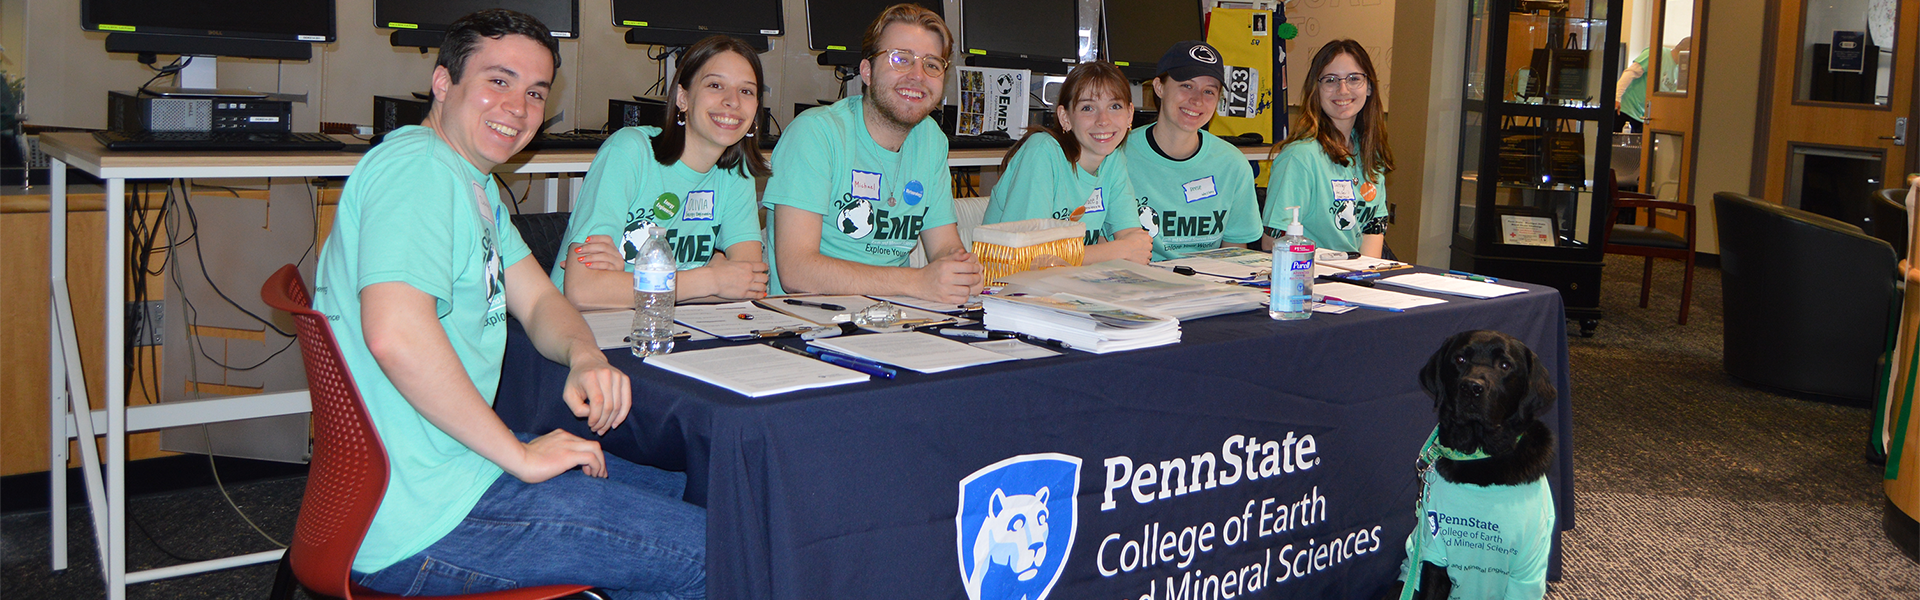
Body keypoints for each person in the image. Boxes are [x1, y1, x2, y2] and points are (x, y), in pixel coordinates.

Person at [310, 10, 704, 599]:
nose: (518, 108)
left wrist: (583, 355)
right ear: (444, 83)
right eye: (498, 80)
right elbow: (395, 334)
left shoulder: (475, 186)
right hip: (425, 521)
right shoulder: (417, 171)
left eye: (535, 92)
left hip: (450, 476)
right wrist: (517, 454)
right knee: (721, 550)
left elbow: (541, 298)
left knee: (689, 494)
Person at [761, 3, 983, 304]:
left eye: (932, 64)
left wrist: (960, 269)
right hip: (809, 320)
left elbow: (943, 245)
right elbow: (797, 272)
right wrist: (917, 281)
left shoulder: (931, 138)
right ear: (867, 71)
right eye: (900, 59)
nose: (917, 75)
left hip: (893, 315)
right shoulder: (816, 133)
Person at [556, 35, 771, 309]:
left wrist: (626, 277)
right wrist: (709, 279)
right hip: (585, 330)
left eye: (746, 91)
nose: (732, 101)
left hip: (674, 325)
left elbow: (748, 285)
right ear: (683, 97)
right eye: (715, 85)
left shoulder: (735, 170)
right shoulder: (630, 151)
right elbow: (584, 291)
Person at [982, 61, 1151, 265]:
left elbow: (1135, 241)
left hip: (1070, 284)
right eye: (1088, 108)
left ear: (1130, 114)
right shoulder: (1042, 152)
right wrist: (1118, 249)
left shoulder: (1113, 157)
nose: (1103, 120)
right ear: (1065, 117)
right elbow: (1029, 256)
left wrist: (1121, 247)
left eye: (1115, 106)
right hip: (1008, 287)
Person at [1122, 40, 1263, 261]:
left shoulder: (1232, 164)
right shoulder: (1119, 156)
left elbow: (1235, 256)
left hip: (1206, 287)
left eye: (1209, 91)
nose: (1197, 100)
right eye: (1186, 86)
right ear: (1159, 87)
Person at [1263, 39, 1393, 257]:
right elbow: (1273, 243)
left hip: (1356, 280)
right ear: (1316, 88)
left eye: (1354, 79)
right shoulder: (1300, 157)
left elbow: (1372, 234)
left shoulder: (1370, 154)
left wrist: (1361, 280)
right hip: (1311, 277)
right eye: (1330, 80)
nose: (1342, 90)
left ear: (1369, 86)